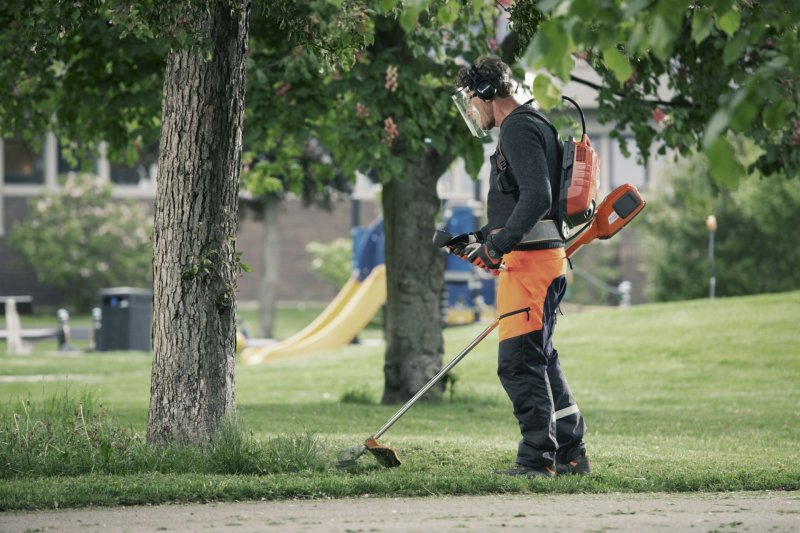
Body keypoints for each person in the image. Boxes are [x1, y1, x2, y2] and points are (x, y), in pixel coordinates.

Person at [449, 55, 590, 478]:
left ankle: (536, 459)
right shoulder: (532, 123)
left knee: (518, 364)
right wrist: (485, 239)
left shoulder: (518, 128)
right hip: (538, 262)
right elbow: (522, 202)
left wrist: (500, 244)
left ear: (490, 93)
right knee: (540, 359)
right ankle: (570, 452)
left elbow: (537, 197)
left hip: (531, 268)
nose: (471, 109)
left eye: (472, 99)